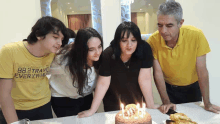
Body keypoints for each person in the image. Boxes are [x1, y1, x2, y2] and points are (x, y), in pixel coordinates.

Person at [147, 1, 220, 114]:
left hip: (193, 88)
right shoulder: (153, 40)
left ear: (180, 23)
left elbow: (202, 70)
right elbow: (157, 73)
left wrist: (207, 103)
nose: (163, 31)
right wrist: (166, 101)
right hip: (168, 88)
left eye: (169, 25)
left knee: (194, 118)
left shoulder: (196, 35)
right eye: (160, 25)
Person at [78, 21, 157, 118]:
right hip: (113, 104)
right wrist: (92, 110)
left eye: (133, 40)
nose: (129, 45)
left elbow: (145, 79)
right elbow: (103, 83)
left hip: (137, 103)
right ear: (118, 41)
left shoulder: (144, 49)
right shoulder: (108, 54)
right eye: (124, 41)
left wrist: (151, 105)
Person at [0, 16, 69, 124]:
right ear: (39, 35)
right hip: (15, 108)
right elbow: (4, 94)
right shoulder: (9, 51)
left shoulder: (52, 53)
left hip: (43, 105)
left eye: (61, 39)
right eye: (55, 37)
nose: (60, 43)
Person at [49, 27, 103, 117]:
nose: (97, 52)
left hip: (86, 96)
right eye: (91, 49)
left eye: (99, 47)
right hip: (63, 98)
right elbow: (47, 71)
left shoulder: (100, 60)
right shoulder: (63, 60)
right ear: (81, 49)